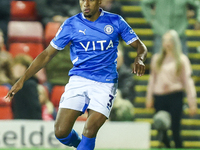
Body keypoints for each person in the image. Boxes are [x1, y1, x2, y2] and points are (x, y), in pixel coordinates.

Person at [6, 0, 148, 149]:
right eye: (82, 0)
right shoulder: (71, 24)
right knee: (61, 132)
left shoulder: (115, 21)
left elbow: (140, 46)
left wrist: (139, 58)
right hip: (79, 80)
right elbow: (47, 54)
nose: (86, 3)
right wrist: (22, 79)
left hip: (105, 83)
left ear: (99, 1)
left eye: (90, 0)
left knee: (90, 129)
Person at [146, 30, 197, 148]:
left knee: (175, 129)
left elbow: (188, 82)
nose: (167, 43)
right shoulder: (157, 59)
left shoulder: (182, 60)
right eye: (165, 40)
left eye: (169, 40)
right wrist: (149, 97)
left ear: (175, 42)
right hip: (160, 97)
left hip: (175, 96)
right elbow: (152, 80)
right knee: (161, 127)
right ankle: (167, 146)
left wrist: (192, 102)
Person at [11, 54, 42, 120]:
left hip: (28, 124)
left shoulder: (29, 84)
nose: (12, 69)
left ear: (23, 68)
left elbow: (34, 107)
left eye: (15, 66)